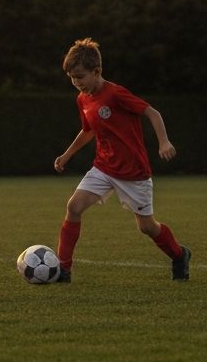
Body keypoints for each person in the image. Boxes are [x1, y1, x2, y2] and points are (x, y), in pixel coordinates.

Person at [53, 37, 190, 283]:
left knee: (147, 227)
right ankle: (63, 269)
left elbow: (152, 112)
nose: (76, 83)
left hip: (133, 172)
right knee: (73, 207)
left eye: (80, 77)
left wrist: (164, 141)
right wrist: (67, 154)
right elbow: (88, 131)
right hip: (103, 167)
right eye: (72, 78)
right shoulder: (82, 99)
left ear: (97, 71)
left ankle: (180, 255)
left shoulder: (115, 94)